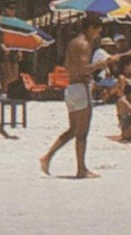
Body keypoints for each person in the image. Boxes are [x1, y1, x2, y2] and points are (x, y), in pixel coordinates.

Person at [41, 15, 102, 178]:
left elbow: (70, 66)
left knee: (73, 130)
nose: (98, 35)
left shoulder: (72, 43)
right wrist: (102, 64)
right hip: (81, 89)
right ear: (91, 28)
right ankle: (81, 169)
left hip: (71, 88)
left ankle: (48, 157)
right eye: (97, 31)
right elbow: (84, 69)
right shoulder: (85, 44)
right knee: (82, 133)